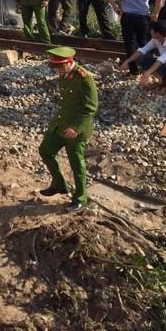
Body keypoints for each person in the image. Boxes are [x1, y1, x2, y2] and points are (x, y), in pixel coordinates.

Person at [38, 46, 98, 212]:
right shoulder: (65, 75)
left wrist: (77, 128)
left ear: (69, 62)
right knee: (45, 150)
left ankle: (80, 198)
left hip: (75, 130)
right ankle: (59, 184)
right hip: (60, 124)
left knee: (76, 164)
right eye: (54, 66)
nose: (56, 70)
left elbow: (91, 107)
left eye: (58, 66)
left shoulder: (84, 79)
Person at [105, 0, 162, 73]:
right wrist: (155, 13)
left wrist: (115, 7)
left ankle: (133, 70)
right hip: (143, 17)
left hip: (127, 17)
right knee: (144, 43)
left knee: (130, 43)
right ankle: (146, 69)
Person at [120, 19, 166, 92]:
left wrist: (147, 74)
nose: (150, 31)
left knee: (162, 62)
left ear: (157, 33)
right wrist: (127, 61)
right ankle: (163, 81)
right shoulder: (156, 39)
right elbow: (142, 50)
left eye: (151, 30)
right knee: (143, 59)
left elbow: (161, 61)